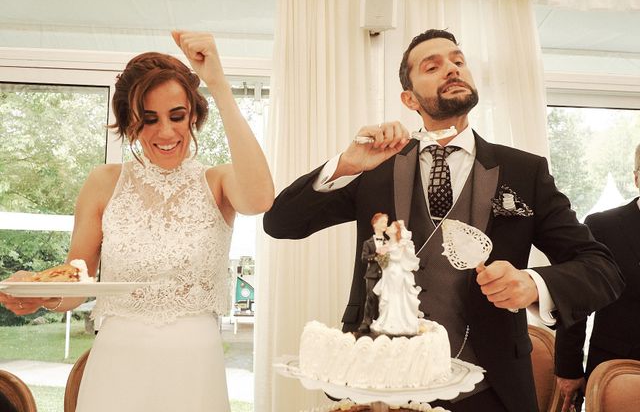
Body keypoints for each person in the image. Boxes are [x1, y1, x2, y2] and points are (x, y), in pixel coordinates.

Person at [263, 29, 624, 412]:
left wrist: (533, 283)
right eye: (432, 66)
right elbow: (281, 223)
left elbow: (602, 270)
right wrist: (346, 164)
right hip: (378, 386)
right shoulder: (374, 167)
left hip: (489, 390)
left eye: (457, 61)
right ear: (409, 98)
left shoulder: (524, 171)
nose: (451, 69)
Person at [0, 31, 274, 411]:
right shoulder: (103, 182)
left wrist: (219, 86)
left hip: (193, 370)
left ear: (193, 114)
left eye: (177, 116)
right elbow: (76, 280)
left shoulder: (219, 182)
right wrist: (37, 293)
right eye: (148, 120)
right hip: (116, 365)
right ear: (130, 122)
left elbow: (261, 197)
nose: (165, 132)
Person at [555, 143, 640, 412]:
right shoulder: (603, 225)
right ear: (637, 177)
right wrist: (568, 369)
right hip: (613, 368)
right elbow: (575, 301)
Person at [370, 220, 422, 336]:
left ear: (396, 231)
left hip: (396, 273)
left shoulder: (400, 244)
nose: (388, 227)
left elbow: (398, 257)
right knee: (386, 296)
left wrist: (386, 253)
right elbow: (382, 262)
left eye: (391, 226)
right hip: (388, 272)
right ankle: (387, 320)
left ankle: (398, 321)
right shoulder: (387, 243)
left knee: (395, 296)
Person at [359, 212, 388, 332]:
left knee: (384, 299)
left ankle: (383, 321)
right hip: (372, 274)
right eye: (382, 222)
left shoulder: (388, 242)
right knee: (370, 298)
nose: (385, 225)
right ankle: (366, 321)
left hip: (385, 275)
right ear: (375, 224)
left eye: (386, 223)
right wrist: (376, 255)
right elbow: (364, 258)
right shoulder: (368, 243)